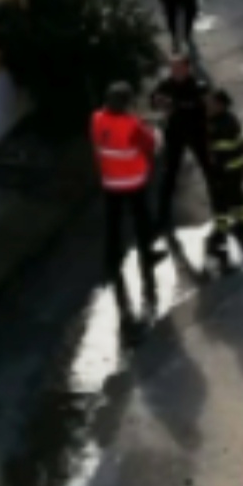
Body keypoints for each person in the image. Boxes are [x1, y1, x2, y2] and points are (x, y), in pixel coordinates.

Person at [90, 82, 159, 332]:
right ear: (126, 103)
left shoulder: (96, 119)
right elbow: (151, 144)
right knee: (142, 221)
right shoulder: (132, 125)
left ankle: (112, 261)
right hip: (133, 182)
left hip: (111, 183)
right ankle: (147, 259)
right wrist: (151, 129)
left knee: (113, 225)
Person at [151, 54, 210, 254]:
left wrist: (174, 103)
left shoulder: (198, 85)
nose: (174, 72)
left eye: (177, 68)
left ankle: (222, 208)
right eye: (172, 68)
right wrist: (158, 102)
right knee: (169, 175)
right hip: (175, 133)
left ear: (187, 68)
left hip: (196, 133)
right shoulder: (166, 84)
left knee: (209, 169)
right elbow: (154, 100)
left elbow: (199, 104)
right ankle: (162, 217)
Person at [204, 89, 243, 272]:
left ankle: (221, 237)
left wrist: (217, 172)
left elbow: (221, 152)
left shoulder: (221, 125)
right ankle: (240, 229)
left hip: (226, 172)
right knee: (236, 201)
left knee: (221, 205)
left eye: (211, 103)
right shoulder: (225, 120)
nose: (208, 106)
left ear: (220, 105)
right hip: (233, 171)